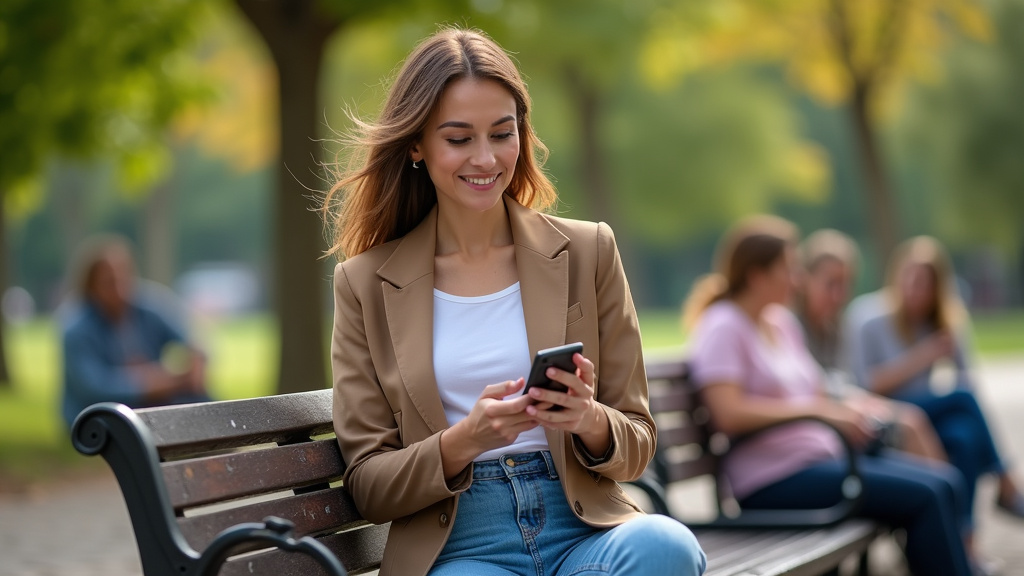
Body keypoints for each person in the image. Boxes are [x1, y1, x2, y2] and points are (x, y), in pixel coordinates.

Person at [320, 28, 705, 576]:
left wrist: (587, 417)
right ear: (415, 145)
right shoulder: (363, 283)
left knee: (666, 547)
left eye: (503, 133)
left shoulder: (589, 250)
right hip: (461, 546)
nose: (486, 158)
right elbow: (368, 485)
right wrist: (464, 440)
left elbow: (637, 441)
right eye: (458, 139)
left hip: (582, 530)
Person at [684, 215, 974, 576]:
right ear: (757, 275)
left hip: (820, 461)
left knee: (945, 481)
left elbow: (817, 390)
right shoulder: (724, 325)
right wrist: (821, 412)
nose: (799, 279)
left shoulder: (779, 323)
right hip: (771, 480)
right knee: (928, 494)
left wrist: (852, 407)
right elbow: (727, 413)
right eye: (789, 269)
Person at [847, 236, 1024, 537]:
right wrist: (923, 356)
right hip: (885, 414)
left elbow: (965, 377)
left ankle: (966, 543)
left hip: (925, 417)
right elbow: (866, 384)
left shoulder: (944, 320)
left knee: (964, 437)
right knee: (963, 399)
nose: (915, 290)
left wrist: (952, 341)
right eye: (910, 279)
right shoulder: (870, 317)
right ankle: (1005, 481)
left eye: (925, 284)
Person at [796, 229, 946, 462]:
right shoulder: (790, 327)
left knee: (956, 432)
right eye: (831, 284)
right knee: (914, 425)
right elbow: (818, 387)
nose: (839, 295)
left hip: (848, 412)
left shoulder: (836, 327)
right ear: (805, 280)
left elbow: (847, 382)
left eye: (846, 284)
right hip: (823, 426)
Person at [61, 234, 210, 428]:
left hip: (151, 402)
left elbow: (192, 338)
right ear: (91, 286)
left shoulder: (149, 307)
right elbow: (94, 387)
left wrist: (196, 361)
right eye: (109, 282)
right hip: (98, 415)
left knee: (202, 402)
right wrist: (151, 382)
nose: (119, 289)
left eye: (124, 277)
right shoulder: (75, 327)